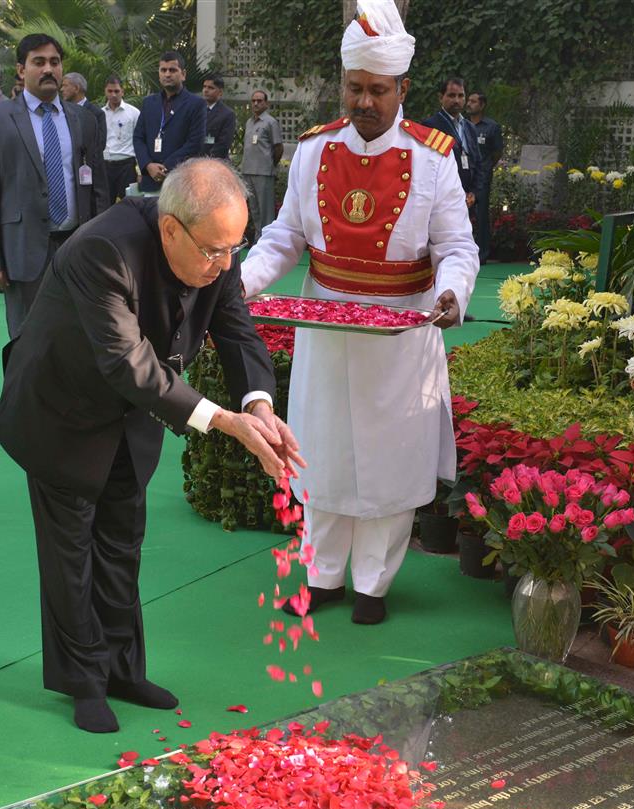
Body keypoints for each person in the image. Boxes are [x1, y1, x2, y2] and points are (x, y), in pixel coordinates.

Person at [0, 158, 303, 733]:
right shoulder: (102, 250)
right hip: (61, 412)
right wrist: (224, 421)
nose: (224, 264)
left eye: (233, 248)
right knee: (71, 554)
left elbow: (236, 330)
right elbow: (128, 365)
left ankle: (124, 670)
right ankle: (83, 684)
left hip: (130, 415)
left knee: (121, 541)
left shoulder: (216, 247)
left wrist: (259, 405)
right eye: (213, 251)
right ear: (170, 230)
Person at [241, 0, 479, 625]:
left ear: (402, 88)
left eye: (377, 90)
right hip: (324, 326)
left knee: (389, 460)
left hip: (402, 332)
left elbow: (456, 246)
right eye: (354, 88)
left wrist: (452, 294)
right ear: (341, 84)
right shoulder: (314, 150)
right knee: (321, 451)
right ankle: (321, 575)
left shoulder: (435, 156)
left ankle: (373, 584)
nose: (364, 101)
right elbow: (283, 238)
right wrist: (241, 282)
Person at [0, 33, 109, 339]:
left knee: (77, 338)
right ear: (22, 70)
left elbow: (97, 187)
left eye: (55, 62)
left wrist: (104, 244)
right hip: (23, 249)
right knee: (27, 343)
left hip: (78, 247)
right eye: (39, 62)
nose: (48, 69)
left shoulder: (84, 119)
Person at [131, 51, 205, 193]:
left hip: (179, 181)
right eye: (163, 70)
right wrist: (148, 165)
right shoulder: (148, 103)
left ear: (183, 74)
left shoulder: (196, 104)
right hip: (150, 180)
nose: (167, 74)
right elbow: (138, 137)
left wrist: (165, 167)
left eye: (172, 70)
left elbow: (195, 143)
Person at [422, 76, 479, 219]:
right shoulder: (430, 126)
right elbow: (428, 167)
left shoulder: (470, 128)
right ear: (441, 97)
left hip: (467, 200)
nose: (457, 100)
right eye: (452, 95)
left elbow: (478, 162)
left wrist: (473, 192)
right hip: (442, 200)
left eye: (461, 96)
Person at [240, 89, 283, 242]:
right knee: (254, 210)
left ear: (266, 103)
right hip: (248, 171)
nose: (256, 103)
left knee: (266, 212)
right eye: (253, 101)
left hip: (264, 172)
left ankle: (268, 243)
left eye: (259, 101)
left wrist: (270, 164)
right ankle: (258, 242)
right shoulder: (249, 122)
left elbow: (278, 148)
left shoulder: (271, 122)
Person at [466, 90, 503, 263]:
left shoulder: (492, 127)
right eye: (469, 101)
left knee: (481, 215)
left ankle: (482, 255)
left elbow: (496, 153)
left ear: (482, 105)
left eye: (473, 101)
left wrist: (486, 168)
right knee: (461, 213)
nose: (469, 104)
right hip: (464, 175)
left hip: (482, 178)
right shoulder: (463, 125)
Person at [101, 75, 139, 202]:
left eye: (116, 91)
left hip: (127, 165)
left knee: (128, 204)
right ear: (105, 92)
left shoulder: (133, 113)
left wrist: (140, 171)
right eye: (110, 91)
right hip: (106, 166)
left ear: (122, 91)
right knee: (105, 204)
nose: (113, 95)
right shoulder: (100, 114)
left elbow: (140, 141)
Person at [200, 72, 234, 160]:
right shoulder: (196, 110)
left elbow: (224, 144)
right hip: (194, 162)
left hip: (215, 163)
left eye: (210, 88)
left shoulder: (227, 114)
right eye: (204, 86)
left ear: (220, 92)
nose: (206, 90)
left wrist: (207, 161)